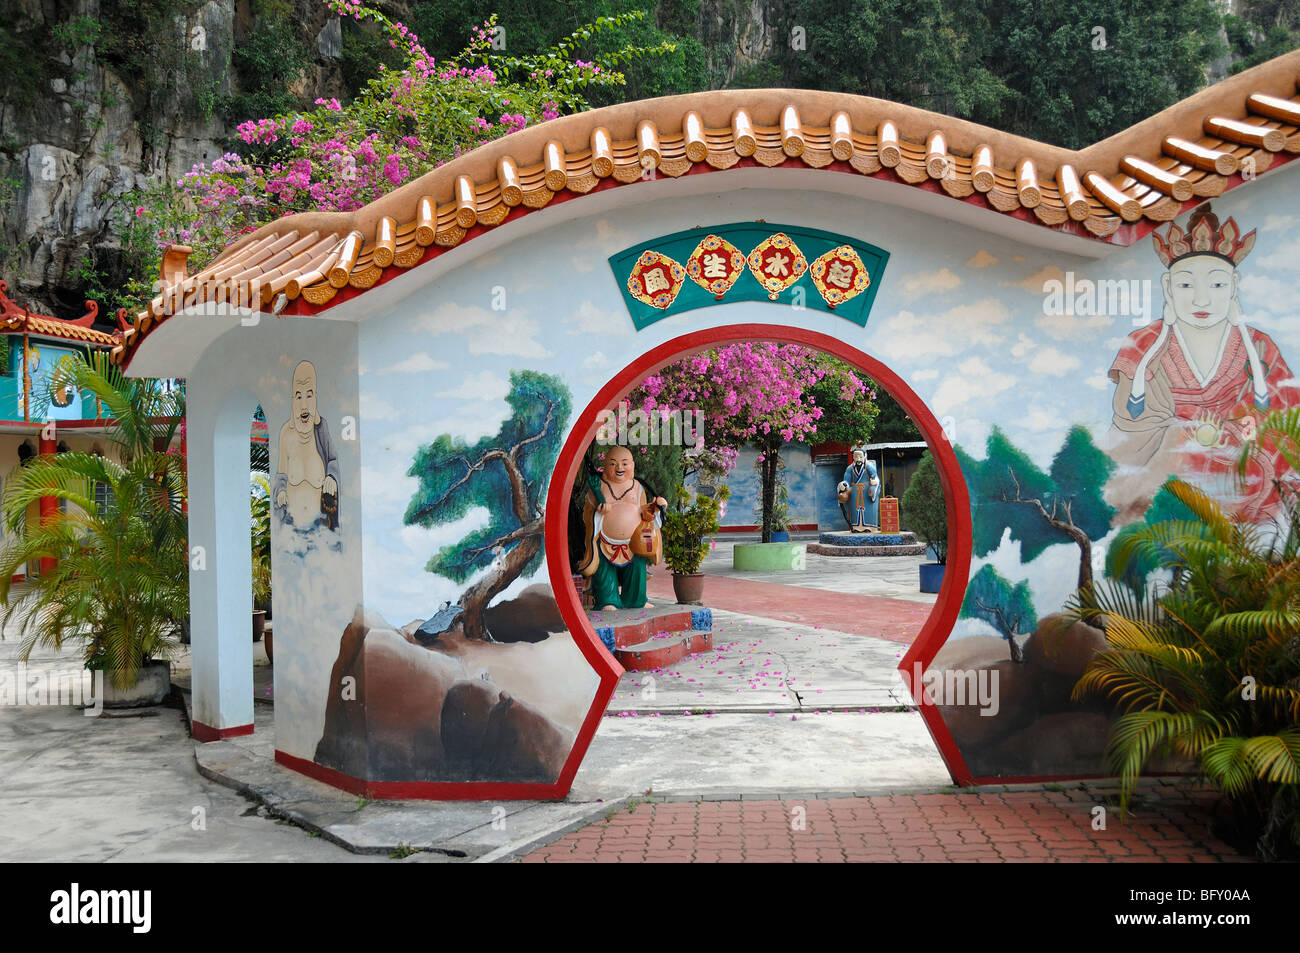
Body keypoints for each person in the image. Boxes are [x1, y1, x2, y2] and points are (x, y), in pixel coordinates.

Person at [1107, 205, 1300, 522]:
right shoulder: (1143, 348)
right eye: (1185, 285)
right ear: (1168, 287)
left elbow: (1283, 424)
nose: (1201, 300)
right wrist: (1186, 438)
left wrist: (1226, 434)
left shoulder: (1260, 347)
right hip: (1164, 474)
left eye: (1217, 285)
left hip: (1244, 473)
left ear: (1234, 286)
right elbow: (1131, 431)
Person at [575, 446, 665, 610]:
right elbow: (587, 512)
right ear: (605, 465)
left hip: (633, 542)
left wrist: (654, 508)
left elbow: (643, 510)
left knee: (637, 568)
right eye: (613, 463)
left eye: (624, 464)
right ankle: (608, 600)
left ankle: (636, 599)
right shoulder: (599, 485)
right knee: (604, 570)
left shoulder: (637, 487)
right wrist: (597, 508)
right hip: (604, 542)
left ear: (633, 465)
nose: (619, 468)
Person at [274, 360, 340, 530]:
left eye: (309, 395)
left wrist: (331, 477)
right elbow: (280, 477)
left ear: (315, 398)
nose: (304, 404)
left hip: (321, 532)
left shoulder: (322, 429)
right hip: (291, 531)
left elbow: (333, 460)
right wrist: (280, 492)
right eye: (299, 396)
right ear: (293, 400)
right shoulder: (285, 434)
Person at [839, 446, 879, 532]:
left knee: (868, 509)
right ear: (853, 457)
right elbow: (847, 480)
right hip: (855, 492)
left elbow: (875, 477)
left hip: (866, 491)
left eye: (860, 457)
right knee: (855, 510)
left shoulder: (869, 466)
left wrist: (874, 482)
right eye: (856, 457)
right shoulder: (850, 468)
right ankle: (856, 527)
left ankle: (869, 527)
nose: (858, 459)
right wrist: (844, 484)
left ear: (865, 456)